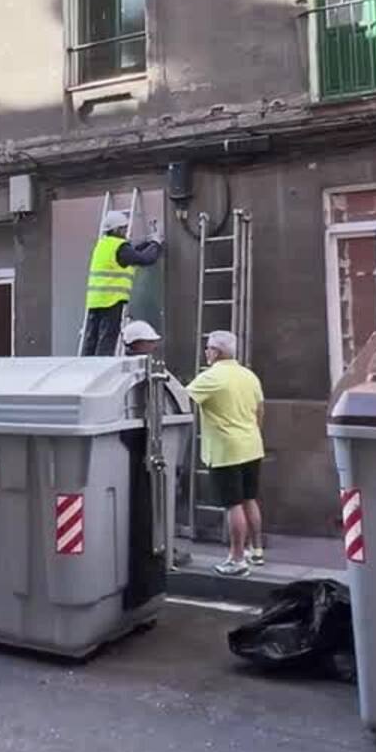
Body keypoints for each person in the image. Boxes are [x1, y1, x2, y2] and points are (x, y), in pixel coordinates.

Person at [186, 330, 265, 577]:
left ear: (217, 352)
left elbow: (180, 396)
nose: (206, 351)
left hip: (225, 449)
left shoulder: (211, 377)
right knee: (249, 498)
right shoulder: (249, 375)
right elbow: (261, 409)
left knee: (233, 505)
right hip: (252, 445)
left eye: (208, 347)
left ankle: (236, 558)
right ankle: (257, 550)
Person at [122, 320, 194, 567]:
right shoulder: (146, 372)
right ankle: (162, 550)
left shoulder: (134, 370)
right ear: (139, 344)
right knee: (160, 502)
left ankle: (159, 548)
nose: (155, 344)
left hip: (152, 449)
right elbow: (179, 407)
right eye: (150, 341)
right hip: (157, 451)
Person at [80, 209, 162, 356]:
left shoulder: (104, 245)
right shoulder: (120, 247)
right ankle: (102, 369)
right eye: (124, 229)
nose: (126, 232)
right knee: (107, 338)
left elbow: (132, 252)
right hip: (111, 300)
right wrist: (156, 243)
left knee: (91, 339)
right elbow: (145, 259)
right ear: (117, 229)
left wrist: (147, 243)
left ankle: (88, 368)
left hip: (96, 300)